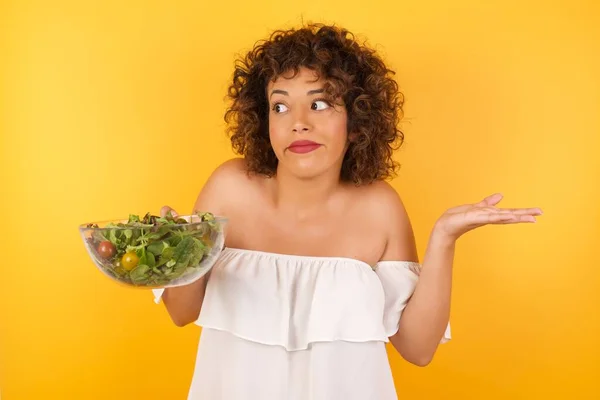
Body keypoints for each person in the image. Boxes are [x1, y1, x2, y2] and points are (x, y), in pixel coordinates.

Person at [151, 23, 543, 400]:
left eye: (319, 104)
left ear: (357, 122)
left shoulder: (380, 207)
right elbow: (181, 312)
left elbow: (418, 349)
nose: (298, 124)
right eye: (280, 106)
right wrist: (179, 249)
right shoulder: (229, 188)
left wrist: (444, 238)